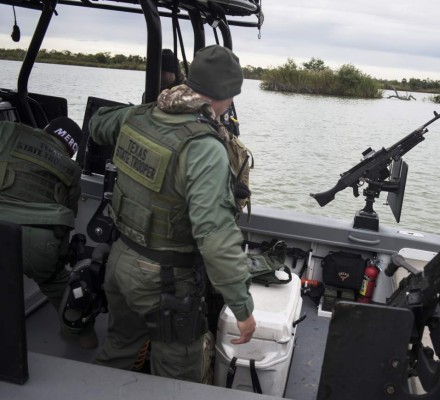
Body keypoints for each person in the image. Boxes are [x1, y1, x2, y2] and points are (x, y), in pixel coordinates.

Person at [89, 45, 256, 383]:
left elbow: (97, 124)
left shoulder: (141, 114)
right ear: (226, 95)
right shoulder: (205, 148)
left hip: (119, 259)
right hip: (163, 280)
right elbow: (216, 238)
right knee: (177, 376)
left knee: (119, 346)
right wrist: (242, 308)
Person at [0, 117, 98, 349]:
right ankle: (83, 336)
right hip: (39, 243)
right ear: (71, 149)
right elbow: (70, 215)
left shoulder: (10, 129)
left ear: (45, 130)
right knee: (57, 282)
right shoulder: (72, 170)